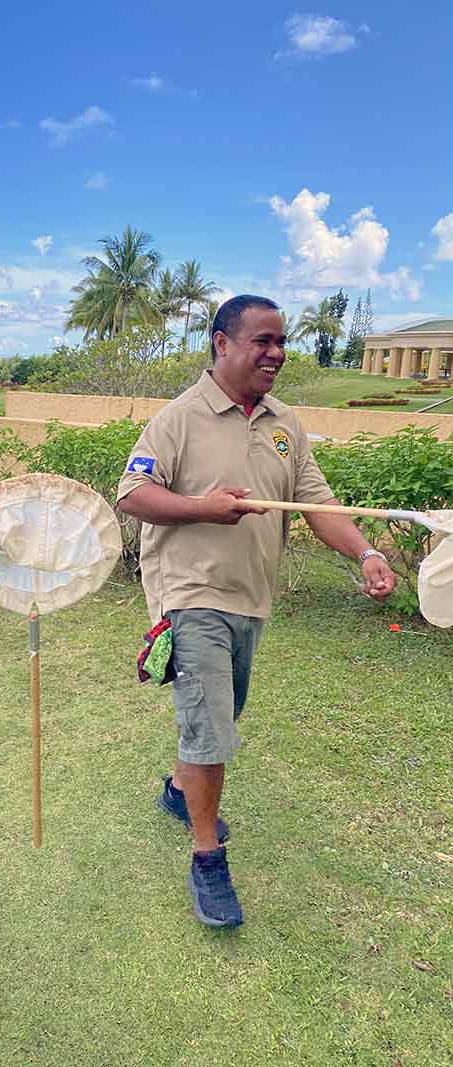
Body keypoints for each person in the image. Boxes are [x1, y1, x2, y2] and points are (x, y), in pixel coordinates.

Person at [116, 295, 395, 929]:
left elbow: (316, 504)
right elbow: (133, 493)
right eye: (262, 341)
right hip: (190, 597)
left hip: (250, 599)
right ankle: (207, 859)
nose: (276, 353)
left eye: (281, 341)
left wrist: (367, 552)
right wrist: (203, 508)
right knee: (213, 725)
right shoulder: (179, 418)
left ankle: (180, 789)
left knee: (215, 717)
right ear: (221, 343)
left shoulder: (283, 423)